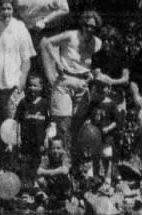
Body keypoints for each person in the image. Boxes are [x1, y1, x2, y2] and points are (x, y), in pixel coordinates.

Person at [40, 10, 102, 162]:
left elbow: (99, 63)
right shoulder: (71, 35)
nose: (89, 29)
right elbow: (46, 42)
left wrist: (94, 76)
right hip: (65, 81)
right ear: (82, 24)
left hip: (83, 84)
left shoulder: (97, 43)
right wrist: (57, 62)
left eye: (93, 27)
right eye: (87, 25)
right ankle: (63, 163)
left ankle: (75, 162)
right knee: (63, 124)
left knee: (78, 126)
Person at [0, 0, 36, 160]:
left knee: (11, 128)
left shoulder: (20, 28)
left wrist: (22, 82)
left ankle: (12, 165)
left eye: (9, 8)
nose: (6, 12)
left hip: (13, 86)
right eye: (3, 8)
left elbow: (27, 60)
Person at [15, 73, 49, 168]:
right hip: (26, 140)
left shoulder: (44, 103)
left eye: (35, 85)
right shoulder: (23, 102)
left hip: (39, 141)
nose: (32, 88)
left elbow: (48, 124)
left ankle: (37, 180)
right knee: (26, 163)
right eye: (30, 85)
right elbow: (18, 121)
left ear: (41, 87)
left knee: (39, 163)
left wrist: (46, 138)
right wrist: (18, 137)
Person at [35, 136, 72, 206]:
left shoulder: (64, 155)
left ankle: (63, 198)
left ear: (63, 149)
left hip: (61, 185)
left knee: (64, 177)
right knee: (40, 179)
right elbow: (39, 171)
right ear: (50, 149)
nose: (55, 151)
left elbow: (65, 171)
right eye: (53, 148)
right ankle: (46, 196)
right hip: (51, 183)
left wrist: (49, 172)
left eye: (58, 148)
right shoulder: (48, 156)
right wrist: (54, 172)